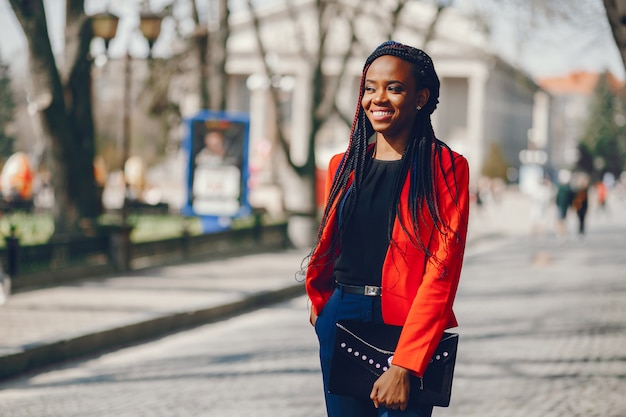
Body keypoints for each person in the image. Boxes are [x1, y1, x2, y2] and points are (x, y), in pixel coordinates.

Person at [304, 41, 470, 417]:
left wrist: (407, 363)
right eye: (370, 87)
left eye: (394, 87)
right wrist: (321, 308)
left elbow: (442, 271)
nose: (378, 98)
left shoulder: (445, 167)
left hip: (406, 325)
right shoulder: (342, 165)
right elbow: (332, 245)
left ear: (421, 98)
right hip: (342, 317)